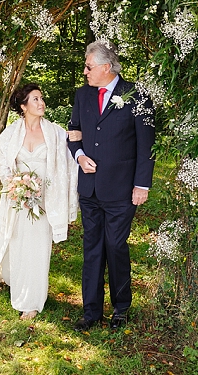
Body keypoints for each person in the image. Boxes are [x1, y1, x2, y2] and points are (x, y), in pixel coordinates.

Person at [68, 41, 155, 332]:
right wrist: (79, 156)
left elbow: (147, 146)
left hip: (121, 190)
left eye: (89, 67)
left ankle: (121, 308)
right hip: (89, 189)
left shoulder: (138, 95)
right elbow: (74, 133)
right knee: (92, 249)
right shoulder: (82, 95)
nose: (85, 72)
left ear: (106, 68)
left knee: (116, 246)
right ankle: (91, 313)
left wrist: (141, 184)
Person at [0, 84, 79, 320]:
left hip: (44, 201)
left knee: (39, 249)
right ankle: (18, 284)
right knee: (18, 246)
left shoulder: (56, 133)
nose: (41, 103)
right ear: (23, 106)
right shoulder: (10, 134)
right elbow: (4, 168)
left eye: (42, 98)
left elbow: (69, 163)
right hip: (18, 200)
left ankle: (31, 302)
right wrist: (16, 188)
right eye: (35, 99)